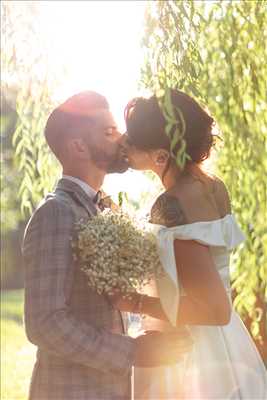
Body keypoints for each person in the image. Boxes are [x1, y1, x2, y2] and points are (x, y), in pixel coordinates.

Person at [22, 91, 193, 400]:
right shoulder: (55, 214)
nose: (123, 138)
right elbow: (44, 323)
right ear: (79, 146)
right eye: (109, 131)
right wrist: (132, 351)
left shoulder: (102, 208)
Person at [112, 89, 267, 399]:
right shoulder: (214, 188)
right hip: (225, 342)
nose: (123, 142)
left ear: (160, 156)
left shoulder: (171, 206)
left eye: (133, 137)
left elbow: (213, 309)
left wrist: (134, 302)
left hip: (189, 352)